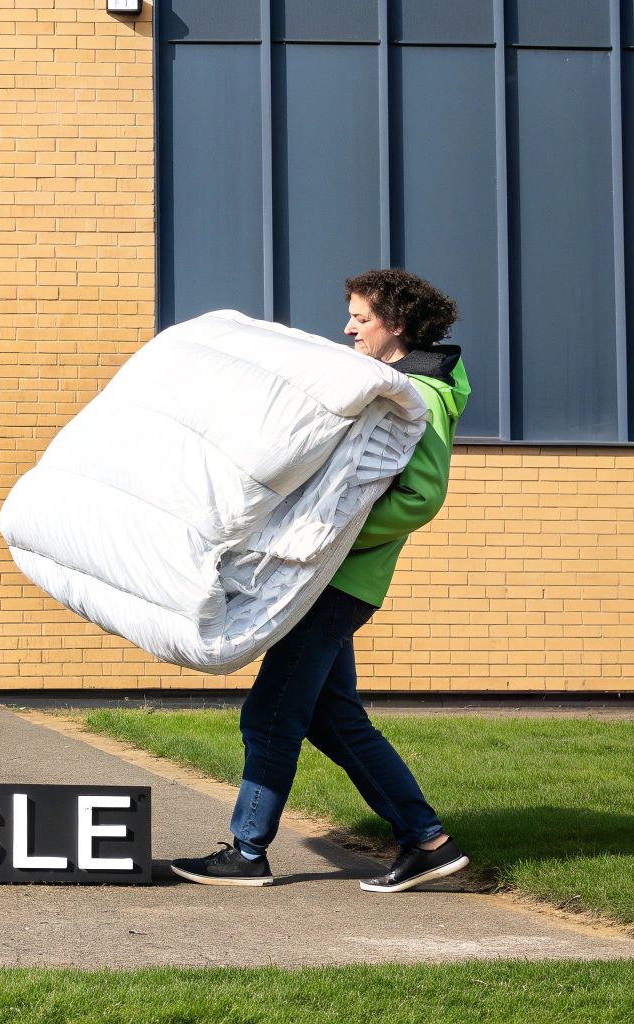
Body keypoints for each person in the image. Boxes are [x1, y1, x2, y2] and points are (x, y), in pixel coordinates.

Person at [171, 268, 472, 893]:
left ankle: (248, 852)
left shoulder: (423, 396)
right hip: (329, 579)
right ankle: (427, 842)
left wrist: (323, 536)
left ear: (398, 324)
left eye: (362, 318)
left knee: (272, 715)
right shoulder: (393, 385)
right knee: (333, 719)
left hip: (334, 582)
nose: (348, 327)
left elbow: (421, 496)